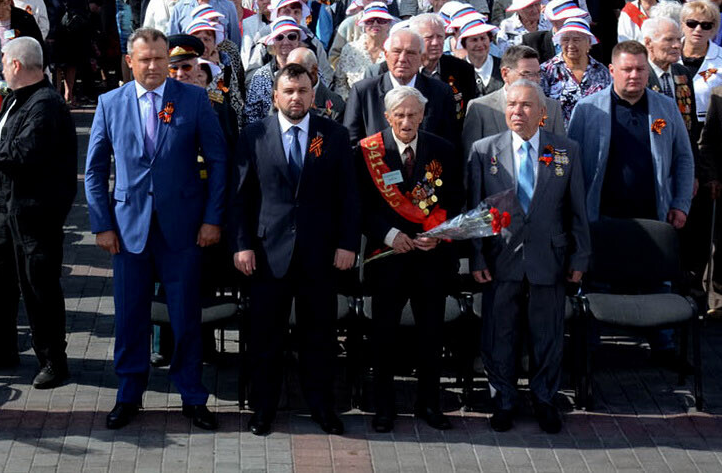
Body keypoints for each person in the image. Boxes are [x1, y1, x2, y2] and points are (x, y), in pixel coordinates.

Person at [84, 28, 229, 432]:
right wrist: (101, 224)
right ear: (129, 60)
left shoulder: (194, 99)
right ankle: (128, 393)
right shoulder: (109, 103)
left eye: (159, 59)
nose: (152, 66)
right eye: (144, 59)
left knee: (185, 316)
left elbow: (219, 162)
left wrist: (212, 218)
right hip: (127, 230)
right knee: (130, 316)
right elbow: (94, 171)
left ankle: (192, 395)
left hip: (183, 230)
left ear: (170, 59)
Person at [232, 62, 358, 436]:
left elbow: (348, 196)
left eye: (303, 91)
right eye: (288, 91)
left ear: (313, 95)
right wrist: (241, 246)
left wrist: (347, 244)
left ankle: (321, 407)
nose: (296, 98)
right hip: (269, 255)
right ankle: (263, 409)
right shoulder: (254, 135)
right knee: (265, 338)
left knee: (318, 338)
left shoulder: (332, 135)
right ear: (275, 96)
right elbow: (240, 198)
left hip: (319, 256)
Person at [468, 79, 590, 434]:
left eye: (525, 106)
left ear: (542, 113)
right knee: (499, 334)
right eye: (511, 105)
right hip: (500, 259)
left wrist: (579, 259)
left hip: (548, 259)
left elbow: (577, 210)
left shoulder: (565, 151)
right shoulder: (483, 150)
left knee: (546, 335)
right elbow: (475, 210)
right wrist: (476, 258)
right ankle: (503, 400)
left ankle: (544, 399)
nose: (517, 112)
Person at [0, 36, 77, 389]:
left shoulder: (45, 104)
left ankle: (52, 360)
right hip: (4, 207)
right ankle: (0, 348)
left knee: (38, 287)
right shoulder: (16, 100)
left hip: (34, 215)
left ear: (16, 65)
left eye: (3, 61)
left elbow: (20, 153)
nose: (0, 67)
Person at [355, 86, 463, 432]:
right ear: (387, 117)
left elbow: (455, 199)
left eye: (413, 114)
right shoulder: (367, 152)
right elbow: (359, 206)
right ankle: (384, 408)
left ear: (422, 116)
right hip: (387, 259)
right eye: (399, 115)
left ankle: (429, 405)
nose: (406, 121)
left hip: (431, 260)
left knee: (430, 336)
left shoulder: (443, 150)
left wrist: (437, 232)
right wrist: (390, 235)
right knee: (384, 336)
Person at [567, 41, 692, 228]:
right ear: (611, 70)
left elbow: (683, 159)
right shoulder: (587, 110)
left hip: (655, 217)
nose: (634, 75)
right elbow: (572, 165)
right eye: (627, 69)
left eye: (641, 69)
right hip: (602, 219)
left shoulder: (667, 107)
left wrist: (681, 204)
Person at [345, 27, 458, 144]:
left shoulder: (441, 92)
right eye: (397, 52)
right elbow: (350, 144)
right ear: (386, 54)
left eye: (410, 53)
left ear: (421, 58)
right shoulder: (364, 92)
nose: (402, 59)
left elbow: (448, 145)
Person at [464, 46, 566, 147]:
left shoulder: (552, 107)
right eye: (526, 74)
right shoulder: (480, 108)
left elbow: (560, 150)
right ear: (505, 74)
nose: (534, 80)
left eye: (537, 74)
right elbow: (471, 158)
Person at [539, 17, 611, 122]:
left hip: (593, 132)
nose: (571, 45)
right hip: (559, 135)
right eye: (566, 40)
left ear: (589, 43)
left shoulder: (601, 71)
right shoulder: (546, 71)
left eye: (577, 40)